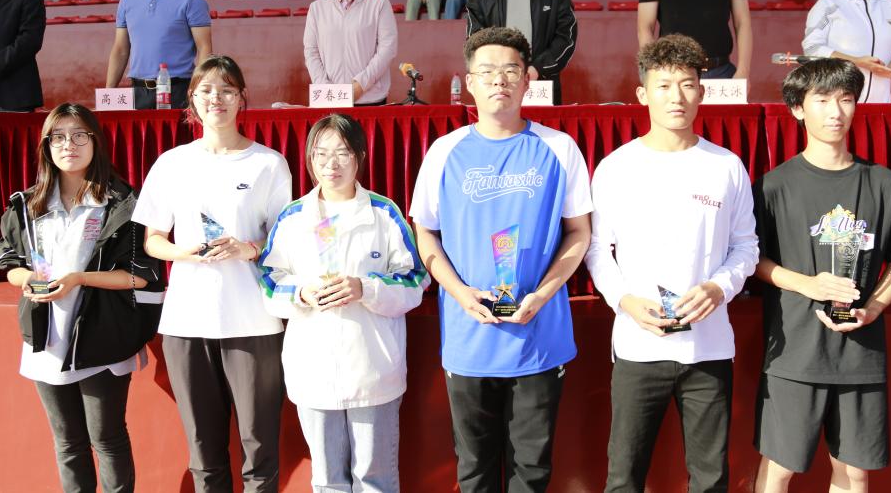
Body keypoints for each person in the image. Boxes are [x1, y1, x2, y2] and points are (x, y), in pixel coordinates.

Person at [410, 27, 592, 492]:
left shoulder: (559, 148)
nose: (499, 80)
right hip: (469, 339)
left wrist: (543, 294)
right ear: (469, 82)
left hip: (539, 337)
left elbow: (579, 233)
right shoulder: (444, 152)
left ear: (528, 80)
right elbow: (425, 233)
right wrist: (460, 293)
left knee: (531, 471)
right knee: (474, 471)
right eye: (487, 71)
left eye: (511, 70)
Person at [585, 34, 758, 493]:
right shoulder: (617, 167)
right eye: (663, 86)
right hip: (639, 346)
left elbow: (746, 246)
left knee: (710, 478)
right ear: (643, 94)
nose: (676, 96)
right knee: (624, 476)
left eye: (686, 84)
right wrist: (624, 301)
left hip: (708, 348)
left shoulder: (726, 166)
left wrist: (719, 287)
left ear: (702, 91)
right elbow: (597, 248)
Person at [752, 58, 891, 493]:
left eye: (846, 99)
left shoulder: (884, 183)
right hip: (794, 353)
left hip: (861, 355)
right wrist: (807, 284)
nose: (836, 111)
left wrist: (873, 309)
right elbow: (752, 261)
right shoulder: (773, 186)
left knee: (854, 471)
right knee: (779, 468)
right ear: (797, 108)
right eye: (823, 100)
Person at [133, 55, 291, 492]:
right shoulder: (172, 163)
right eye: (205, 90)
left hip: (253, 322)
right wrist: (182, 253)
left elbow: (286, 240)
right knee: (204, 452)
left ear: (241, 98)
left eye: (226, 90)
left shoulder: (268, 163)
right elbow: (153, 241)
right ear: (192, 100)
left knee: (259, 448)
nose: (215, 98)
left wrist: (248, 249)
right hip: (187, 322)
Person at [0, 102, 164, 492]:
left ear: (95, 141)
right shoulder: (28, 204)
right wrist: (29, 279)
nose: (68, 144)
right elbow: (11, 263)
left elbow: (140, 277)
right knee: (68, 442)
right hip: (47, 337)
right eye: (58, 137)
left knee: (107, 438)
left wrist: (78, 279)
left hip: (102, 335)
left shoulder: (123, 204)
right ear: (46, 147)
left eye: (78, 135)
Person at [259, 113, 429, 492]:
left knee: (375, 480)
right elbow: (269, 281)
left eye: (342, 153)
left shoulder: (384, 214)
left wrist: (365, 288)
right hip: (313, 371)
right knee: (327, 481)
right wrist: (301, 293)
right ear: (309, 159)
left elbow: (415, 279)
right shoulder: (292, 218)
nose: (330, 164)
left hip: (373, 371)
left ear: (360, 157)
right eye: (321, 154)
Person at [106, 0, 213, 110]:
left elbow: (204, 48)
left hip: (179, 91)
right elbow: (120, 49)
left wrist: (199, 90)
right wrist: (109, 93)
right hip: (138, 92)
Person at [304, 0, 398, 106]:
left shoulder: (379, 3)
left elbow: (387, 48)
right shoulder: (317, 8)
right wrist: (326, 88)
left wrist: (360, 85)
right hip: (329, 98)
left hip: (369, 98)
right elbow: (311, 52)